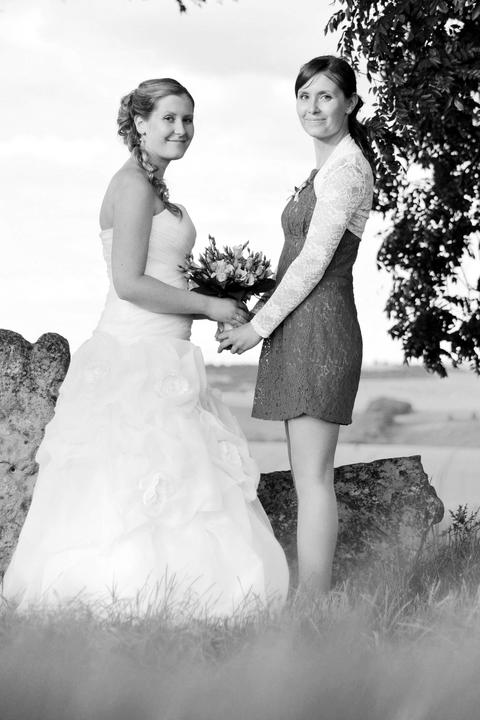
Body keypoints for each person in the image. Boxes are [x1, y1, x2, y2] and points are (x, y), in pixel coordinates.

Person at [2, 78, 289, 617]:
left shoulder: (154, 187)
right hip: (134, 355)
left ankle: (176, 596)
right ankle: (128, 598)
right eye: (169, 118)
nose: (181, 129)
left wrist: (217, 299)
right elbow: (129, 283)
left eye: (188, 119)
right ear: (140, 123)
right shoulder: (133, 185)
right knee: (134, 481)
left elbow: (162, 278)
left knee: (179, 481)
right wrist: (208, 305)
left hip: (167, 354)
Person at [218, 56, 375, 594]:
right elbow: (294, 261)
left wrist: (257, 327)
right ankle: (311, 599)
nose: (312, 106)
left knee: (313, 479)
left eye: (325, 95)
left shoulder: (348, 170)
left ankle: (313, 603)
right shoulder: (325, 170)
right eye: (304, 96)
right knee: (309, 475)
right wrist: (244, 299)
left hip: (321, 331)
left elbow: (312, 263)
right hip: (300, 325)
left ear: (350, 103)